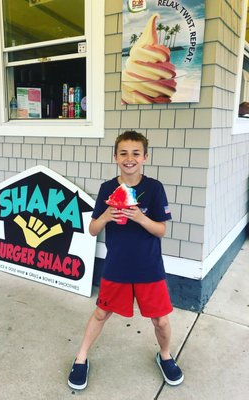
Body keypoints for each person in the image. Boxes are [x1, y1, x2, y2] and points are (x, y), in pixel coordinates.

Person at [67, 130, 184, 390]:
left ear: (145, 157)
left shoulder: (154, 188)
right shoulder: (107, 189)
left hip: (149, 267)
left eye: (135, 153)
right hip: (116, 266)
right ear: (115, 157)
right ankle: (81, 358)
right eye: (123, 153)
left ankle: (165, 355)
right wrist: (107, 215)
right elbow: (93, 229)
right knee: (101, 314)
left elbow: (161, 230)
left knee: (161, 320)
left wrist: (140, 218)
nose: (129, 158)